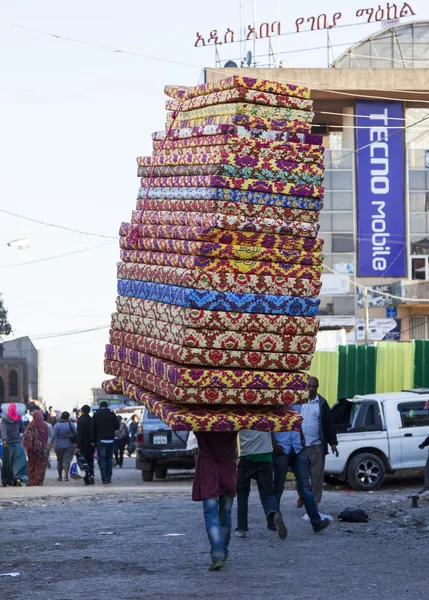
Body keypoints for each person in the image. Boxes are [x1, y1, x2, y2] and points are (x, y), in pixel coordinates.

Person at [193, 431, 238, 571]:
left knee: (211, 514)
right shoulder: (233, 419)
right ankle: (223, 551)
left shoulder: (201, 420)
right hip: (228, 470)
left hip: (208, 471)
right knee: (225, 514)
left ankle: (218, 554)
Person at [271, 429, 330, 534]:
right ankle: (272, 520)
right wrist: (274, 444)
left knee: (305, 487)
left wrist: (302, 438)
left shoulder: (297, 411)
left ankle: (316, 522)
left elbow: (298, 422)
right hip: (281, 448)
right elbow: (269, 425)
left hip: (298, 448)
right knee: (278, 487)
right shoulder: (274, 411)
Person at [235, 430, 287, 540]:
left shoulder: (241, 414)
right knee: (267, 493)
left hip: (247, 456)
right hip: (266, 456)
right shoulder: (266, 413)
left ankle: (242, 528)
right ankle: (274, 513)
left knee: (242, 494)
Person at [296, 377, 339, 509]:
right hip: (301, 446)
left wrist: (333, 443)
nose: (310, 389)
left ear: (317, 387)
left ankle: (314, 504)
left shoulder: (322, 404)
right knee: (300, 476)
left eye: (313, 386)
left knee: (316, 478)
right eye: (308, 386)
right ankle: (302, 496)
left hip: (316, 446)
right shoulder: (299, 402)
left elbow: (329, 424)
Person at [90, 401, 119, 485]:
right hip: (110, 440)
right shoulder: (112, 414)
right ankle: (109, 477)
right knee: (109, 459)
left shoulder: (96, 415)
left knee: (102, 460)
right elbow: (117, 426)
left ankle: (104, 478)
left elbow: (92, 428)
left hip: (100, 440)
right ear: (107, 406)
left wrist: (92, 440)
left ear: (100, 406)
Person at [1, 403, 28, 486]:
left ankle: (6, 480)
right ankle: (18, 477)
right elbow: (22, 430)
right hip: (17, 443)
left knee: (7, 462)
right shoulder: (18, 418)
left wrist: (4, 440)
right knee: (19, 461)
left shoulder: (4, 419)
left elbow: (3, 430)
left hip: (7, 444)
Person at [22, 409, 50, 486]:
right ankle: (39, 481)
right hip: (42, 449)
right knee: (41, 465)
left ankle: (32, 480)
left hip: (31, 450)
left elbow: (25, 438)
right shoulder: (45, 425)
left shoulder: (30, 425)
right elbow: (46, 437)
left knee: (32, 465)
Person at [51, 411, 77, 482]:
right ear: (68, 417)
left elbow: (53, 436)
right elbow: (76, 434)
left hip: (58, 445)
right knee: (67, 461)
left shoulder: (57, 425)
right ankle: (66, 476)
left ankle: (59, 476)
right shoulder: (71, 424)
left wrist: (50, 444)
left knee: (59, 460)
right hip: (69, 444)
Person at [77, 405, 95, 485]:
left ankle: (86, 477)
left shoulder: (80, 420)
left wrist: (78, 445)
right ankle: (91, 474)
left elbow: (79, 433)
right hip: (91, 444)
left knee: (84, 461)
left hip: (83, 444)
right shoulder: (91, 419)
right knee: (90, 460)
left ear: (82, 411)